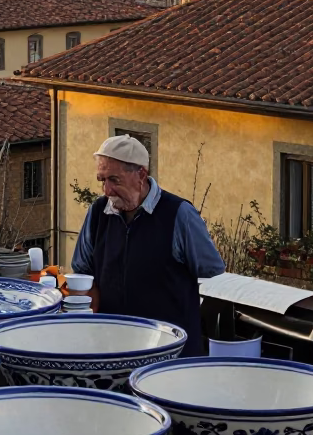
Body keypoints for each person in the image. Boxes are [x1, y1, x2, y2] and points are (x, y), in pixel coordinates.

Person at [72, 135, 224, 355]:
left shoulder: (179, 214)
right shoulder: (98, 212)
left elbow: (211, 267)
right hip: (113, 351)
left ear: (141, 174)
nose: (107, 190)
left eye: (114, 180)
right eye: (102, 180)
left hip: (168, 354)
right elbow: (83, 270)